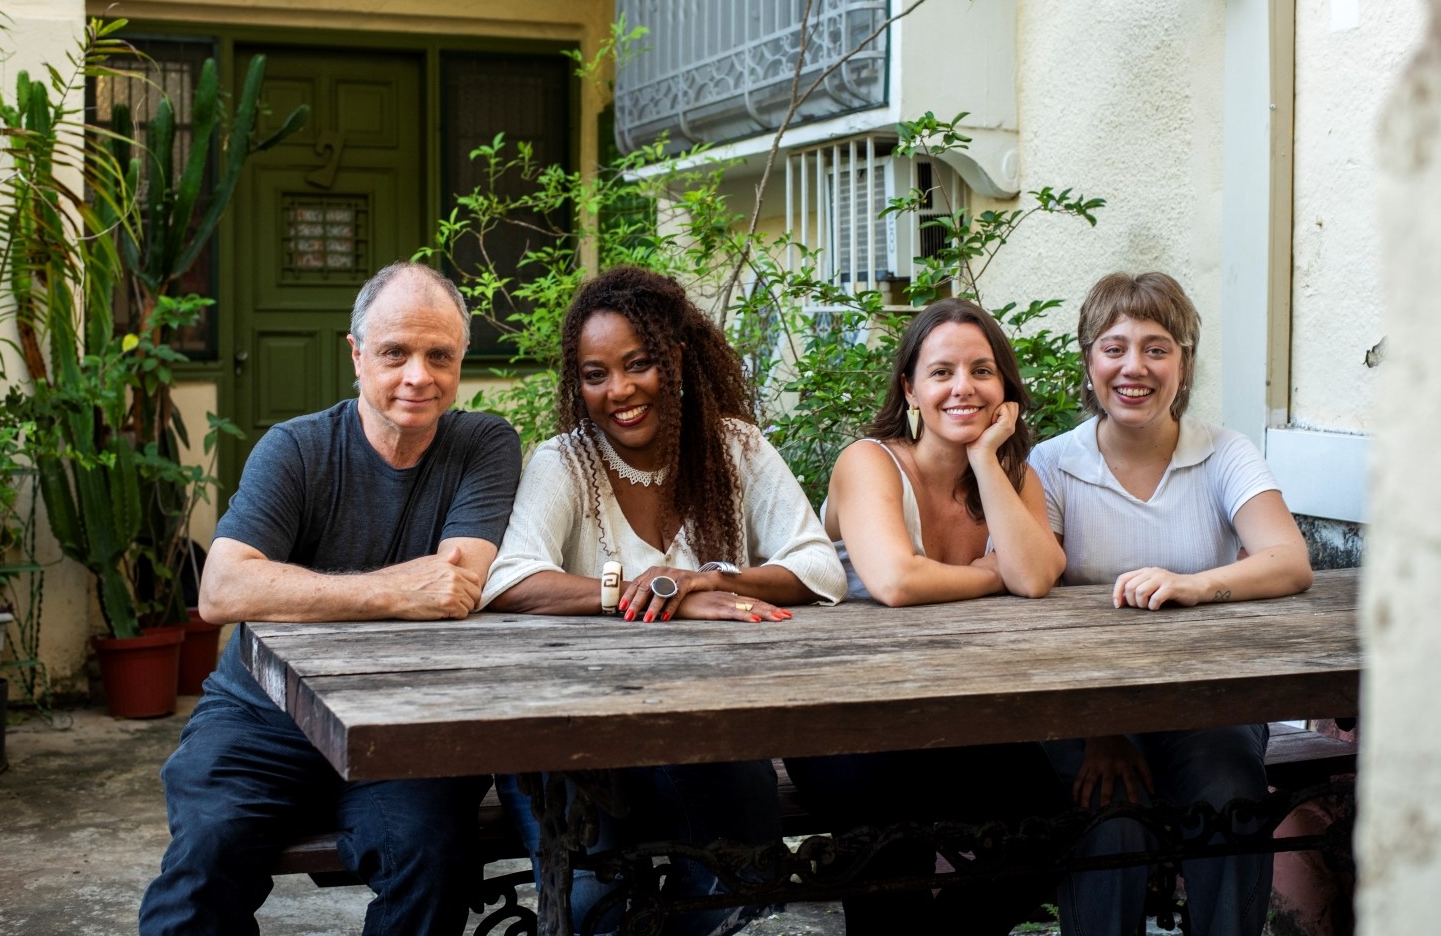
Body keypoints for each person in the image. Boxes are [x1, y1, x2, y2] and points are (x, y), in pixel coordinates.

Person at [138, 262, 522, 936]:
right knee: (202, 868)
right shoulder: (297, 448)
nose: (417, 376)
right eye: (394, 352)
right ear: (356, 355)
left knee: (430, 863)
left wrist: (295, 589)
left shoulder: (482, 445)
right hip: (265, 716)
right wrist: (398, 589)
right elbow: (223, 589)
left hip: (407, 720)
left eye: (440, 356)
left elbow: (455, 587)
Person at [482, 265, 846, 935]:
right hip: (570, 740)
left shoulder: (734, 449)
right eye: (596, 375)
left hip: (697, 732)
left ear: (673, 358)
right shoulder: (565, 462)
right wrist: (637, 593)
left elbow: (820, 567)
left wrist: (711, 579)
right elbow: (510, 582)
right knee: (595, 914)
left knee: (733, 887)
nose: (618, 390)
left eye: (638, 364)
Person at [1030, 271, 1314, 936]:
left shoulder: (1223, 452)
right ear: (1088, 359)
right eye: (1114, 347)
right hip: (1085, 703)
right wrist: (1100, 726)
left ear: (1184, 364)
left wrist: (1198, 584)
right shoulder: (1049, 465)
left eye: (1157, 348)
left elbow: (1289, 559)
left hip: (1206, 699)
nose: (1135, 367)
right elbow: (1033, 608)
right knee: (1111, 821)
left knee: (1233, 796)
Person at [783, 297, 1070, 934]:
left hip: (953, 714)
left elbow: (1034, 576)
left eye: (981, 371)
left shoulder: (1010, 473)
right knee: (890, 848)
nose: (963, 388)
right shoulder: (870, 461)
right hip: (845, 721)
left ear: (1005, 389)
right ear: (910, 388)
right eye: (941, 372)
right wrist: (987, 575)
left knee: (1054, 825)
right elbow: (894, 580)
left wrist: (986, 463)